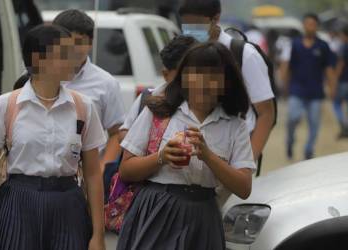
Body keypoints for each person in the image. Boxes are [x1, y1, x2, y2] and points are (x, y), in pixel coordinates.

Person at [0, 25, 106, 250]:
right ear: (38, 59)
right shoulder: (5, 106)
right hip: (17, 203)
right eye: (63, 54)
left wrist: (98, 235)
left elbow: (92, 174)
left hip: (68, 204)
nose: (74, 59)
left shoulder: (83, 107)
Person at [116, 42, 256, 250]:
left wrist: (208, 156)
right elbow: (126, 170)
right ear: (184, 77)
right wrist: (162, 157)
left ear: (226, 82)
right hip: (156, 211)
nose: (203, 81)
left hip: (203, 218)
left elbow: (244, 187)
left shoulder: (234, 125)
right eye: (196, 73)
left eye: (213, 74)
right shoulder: (159, 112)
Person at [178, 0, 276, 164]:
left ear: (215, 19)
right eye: (186, 24)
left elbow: (266, 114)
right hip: (197, 154)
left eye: (196, 23)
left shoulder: (244, 55)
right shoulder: (188, 53)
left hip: (235, 153)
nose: (190, 30)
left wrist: (247, 163)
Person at [53, 9, 126, 173]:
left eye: (79, 42)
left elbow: (116, 133)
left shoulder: (106, 83)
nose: (72, 48)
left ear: (90, 43)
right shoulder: (36, 77)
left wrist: (102, 169)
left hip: (87, 173)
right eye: (66, 41)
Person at [280, 13, 337, 160]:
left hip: (316, 92)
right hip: (297, 90)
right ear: (303, 26)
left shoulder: (323, 46)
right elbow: (286, 66)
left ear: (317, 26)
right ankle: (290, 142)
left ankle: (308, 150)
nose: (310, 27)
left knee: (314, 124)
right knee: (292, 118)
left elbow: (329, 69)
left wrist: (332, 88)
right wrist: (284, 86)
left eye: (313, 24)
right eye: (307, 24)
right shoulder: (294, 44)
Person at [119, 35, 198, 140]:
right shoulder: (150, 99)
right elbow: (124, 133)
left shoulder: (212, 105)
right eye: (184, 74)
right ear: (166, 74)